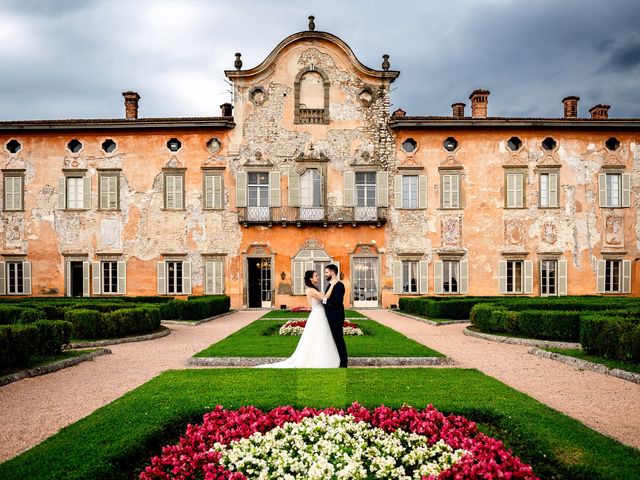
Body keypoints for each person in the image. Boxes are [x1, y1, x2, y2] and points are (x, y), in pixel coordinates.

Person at [256, 270, 340, 368]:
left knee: (321, 336)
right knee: (318, 335)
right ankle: (317, 360)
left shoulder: (313, 289)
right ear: (311, 278)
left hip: (319, 314)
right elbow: (325, 298)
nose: (318, 277)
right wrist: (333, 285)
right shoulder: (311, 290)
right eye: (316, 275)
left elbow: (323, 296)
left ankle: (322, 357)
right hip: (318, 314)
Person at [322, 264, 348, 368]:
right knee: (333, 340)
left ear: (332, 273)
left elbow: (337, 302)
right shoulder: (330, 285)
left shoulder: (339, 285)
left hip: (336, 317)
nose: (325, 274)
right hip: (331, 316)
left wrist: (323, 300)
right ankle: (335, 360)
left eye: (326, 272)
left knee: (339, 339)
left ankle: (343, 363)